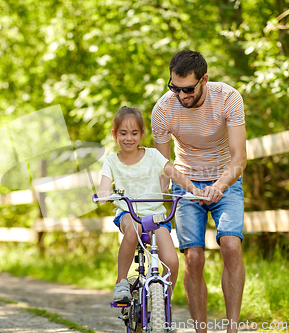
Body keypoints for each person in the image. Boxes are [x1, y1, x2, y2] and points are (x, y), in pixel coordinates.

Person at [151, 50, 247, 333]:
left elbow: (239, 157)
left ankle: (232, 329)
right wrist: (164, 204)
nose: (181, 96)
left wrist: (218, 186)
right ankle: (200, 331)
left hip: (224, 180)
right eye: (174, 88)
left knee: (230, 245)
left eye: (188, 89)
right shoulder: (163, 109)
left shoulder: (229, 98)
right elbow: (163, 165)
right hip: (186, 183)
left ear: (204, 79)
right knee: (193, 257)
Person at [97, 106, 204, 303]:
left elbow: (174, 173)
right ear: (114, 134)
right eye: (123, 133)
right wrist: (104, 195)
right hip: (129, 214)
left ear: (141, 134)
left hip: (156, 217)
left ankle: (163, 304)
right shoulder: (112, 161)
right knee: (134, 227)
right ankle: (121, 281)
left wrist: (194, 190)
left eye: (134, 133)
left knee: (172, 262)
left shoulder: (153, 156)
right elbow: (104, 186)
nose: (129, 138)